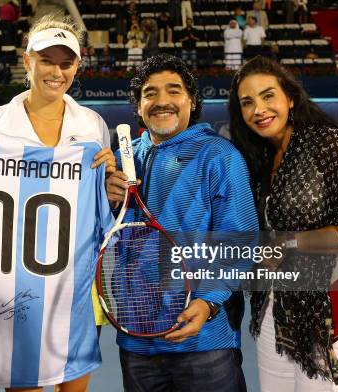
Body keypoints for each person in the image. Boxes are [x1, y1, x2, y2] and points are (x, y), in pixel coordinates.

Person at [0, 15, 116, 392]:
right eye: (46, 60)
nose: (56, 71)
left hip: (73, 289)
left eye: (66, 62)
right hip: (11, 291)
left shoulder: (93, 126)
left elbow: (103, 207)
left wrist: (111, 178)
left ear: (77, 66)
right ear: (27, 60)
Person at [105, 53, 258, 392]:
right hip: (137, 341)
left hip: (204, 342)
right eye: (150, 93)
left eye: (173, 91)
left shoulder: (220, 156)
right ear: (139, 105)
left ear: (191, 101)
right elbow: (100, 237)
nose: (162, 101)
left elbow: (241, 240)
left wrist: (207, 302)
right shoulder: (118, 163)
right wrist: (106, 198)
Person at [228, 56, 338, 392]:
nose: (259, 109)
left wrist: (287, 242)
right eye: (247, 102)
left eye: (268, 96)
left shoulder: (328, 144)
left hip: (328, 312)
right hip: (273, 314)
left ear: (291, 98)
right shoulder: (258, 157)